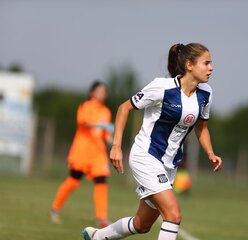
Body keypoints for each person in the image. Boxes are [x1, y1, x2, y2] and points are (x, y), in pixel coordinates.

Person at [82, 43, 222, 240]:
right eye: (206, 63)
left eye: (211, 63)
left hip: (169, 165)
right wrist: (116, 147)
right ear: (189, 65)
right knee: (173, 215)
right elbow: (124, 109)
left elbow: (202, 127)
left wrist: (210, 153)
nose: (211, 68)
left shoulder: (205, 93)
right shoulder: (162, 87)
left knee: (142, 224)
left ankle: (97, 237)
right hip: (146, 156)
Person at [50, 81, 113, 227]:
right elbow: (83, 122)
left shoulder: (106, 111)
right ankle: (55, 209)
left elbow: (105, 134)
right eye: (100, 90)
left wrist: (111, 139)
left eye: (105, 91)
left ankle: (101, 218)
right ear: (92, 93)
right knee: (73, 181)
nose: (103, 93)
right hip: (82, 151)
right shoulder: (86, 106)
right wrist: (101, 124)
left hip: (98, 154)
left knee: (101, 182)